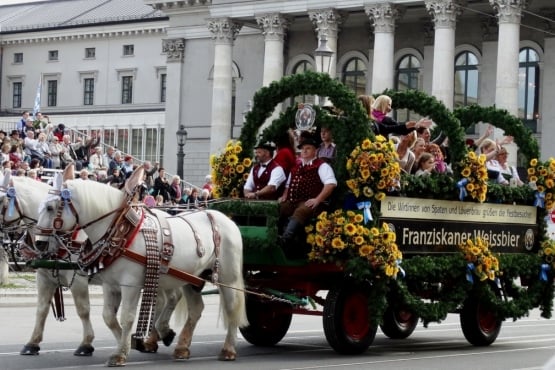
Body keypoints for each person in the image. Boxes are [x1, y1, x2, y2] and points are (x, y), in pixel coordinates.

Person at [278, 131, 337, 257]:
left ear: (315, 151)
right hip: (293, 200)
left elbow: (331, 184)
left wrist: (317, 199)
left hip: (310, 202)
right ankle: (272, 238)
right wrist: (284, 196)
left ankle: (285, 240)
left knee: (302, 211)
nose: (304, 151)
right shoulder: (296, 167)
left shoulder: (322, 166)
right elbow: (288, 185)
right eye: (302, 149)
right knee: (279, 208)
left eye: (308, 148)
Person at [364, 94, 433, 137]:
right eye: (389, 105)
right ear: (383, 104)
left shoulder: (388, 120)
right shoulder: (369, 117)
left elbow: (401, 130)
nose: (390, 108)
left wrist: (416, 125)